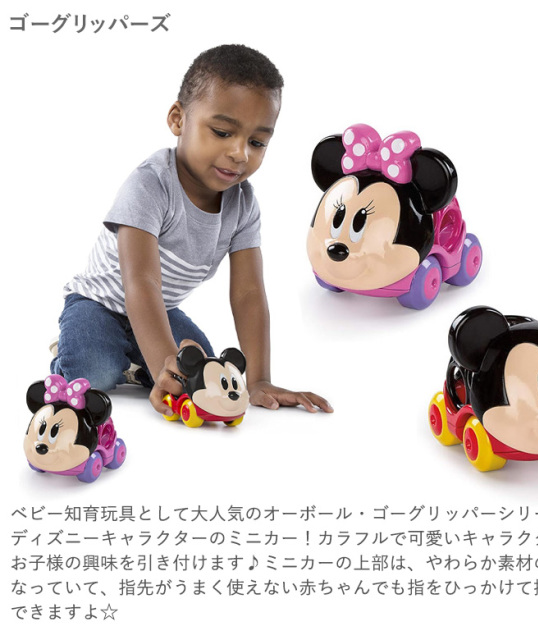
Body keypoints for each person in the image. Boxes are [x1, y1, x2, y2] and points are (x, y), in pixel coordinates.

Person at [50, 44, 332, 416]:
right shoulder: (150, 185)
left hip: (161, 309)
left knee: (207, 370)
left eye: (257, 142)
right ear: (178, 119)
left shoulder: (243, 205)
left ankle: (135, 364)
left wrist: (259, 380)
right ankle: (73, 354)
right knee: (94, 373)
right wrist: (163, 363)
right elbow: (141, 282)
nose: (240, 153)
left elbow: (248, 293)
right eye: (222, 132)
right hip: (99, 303)